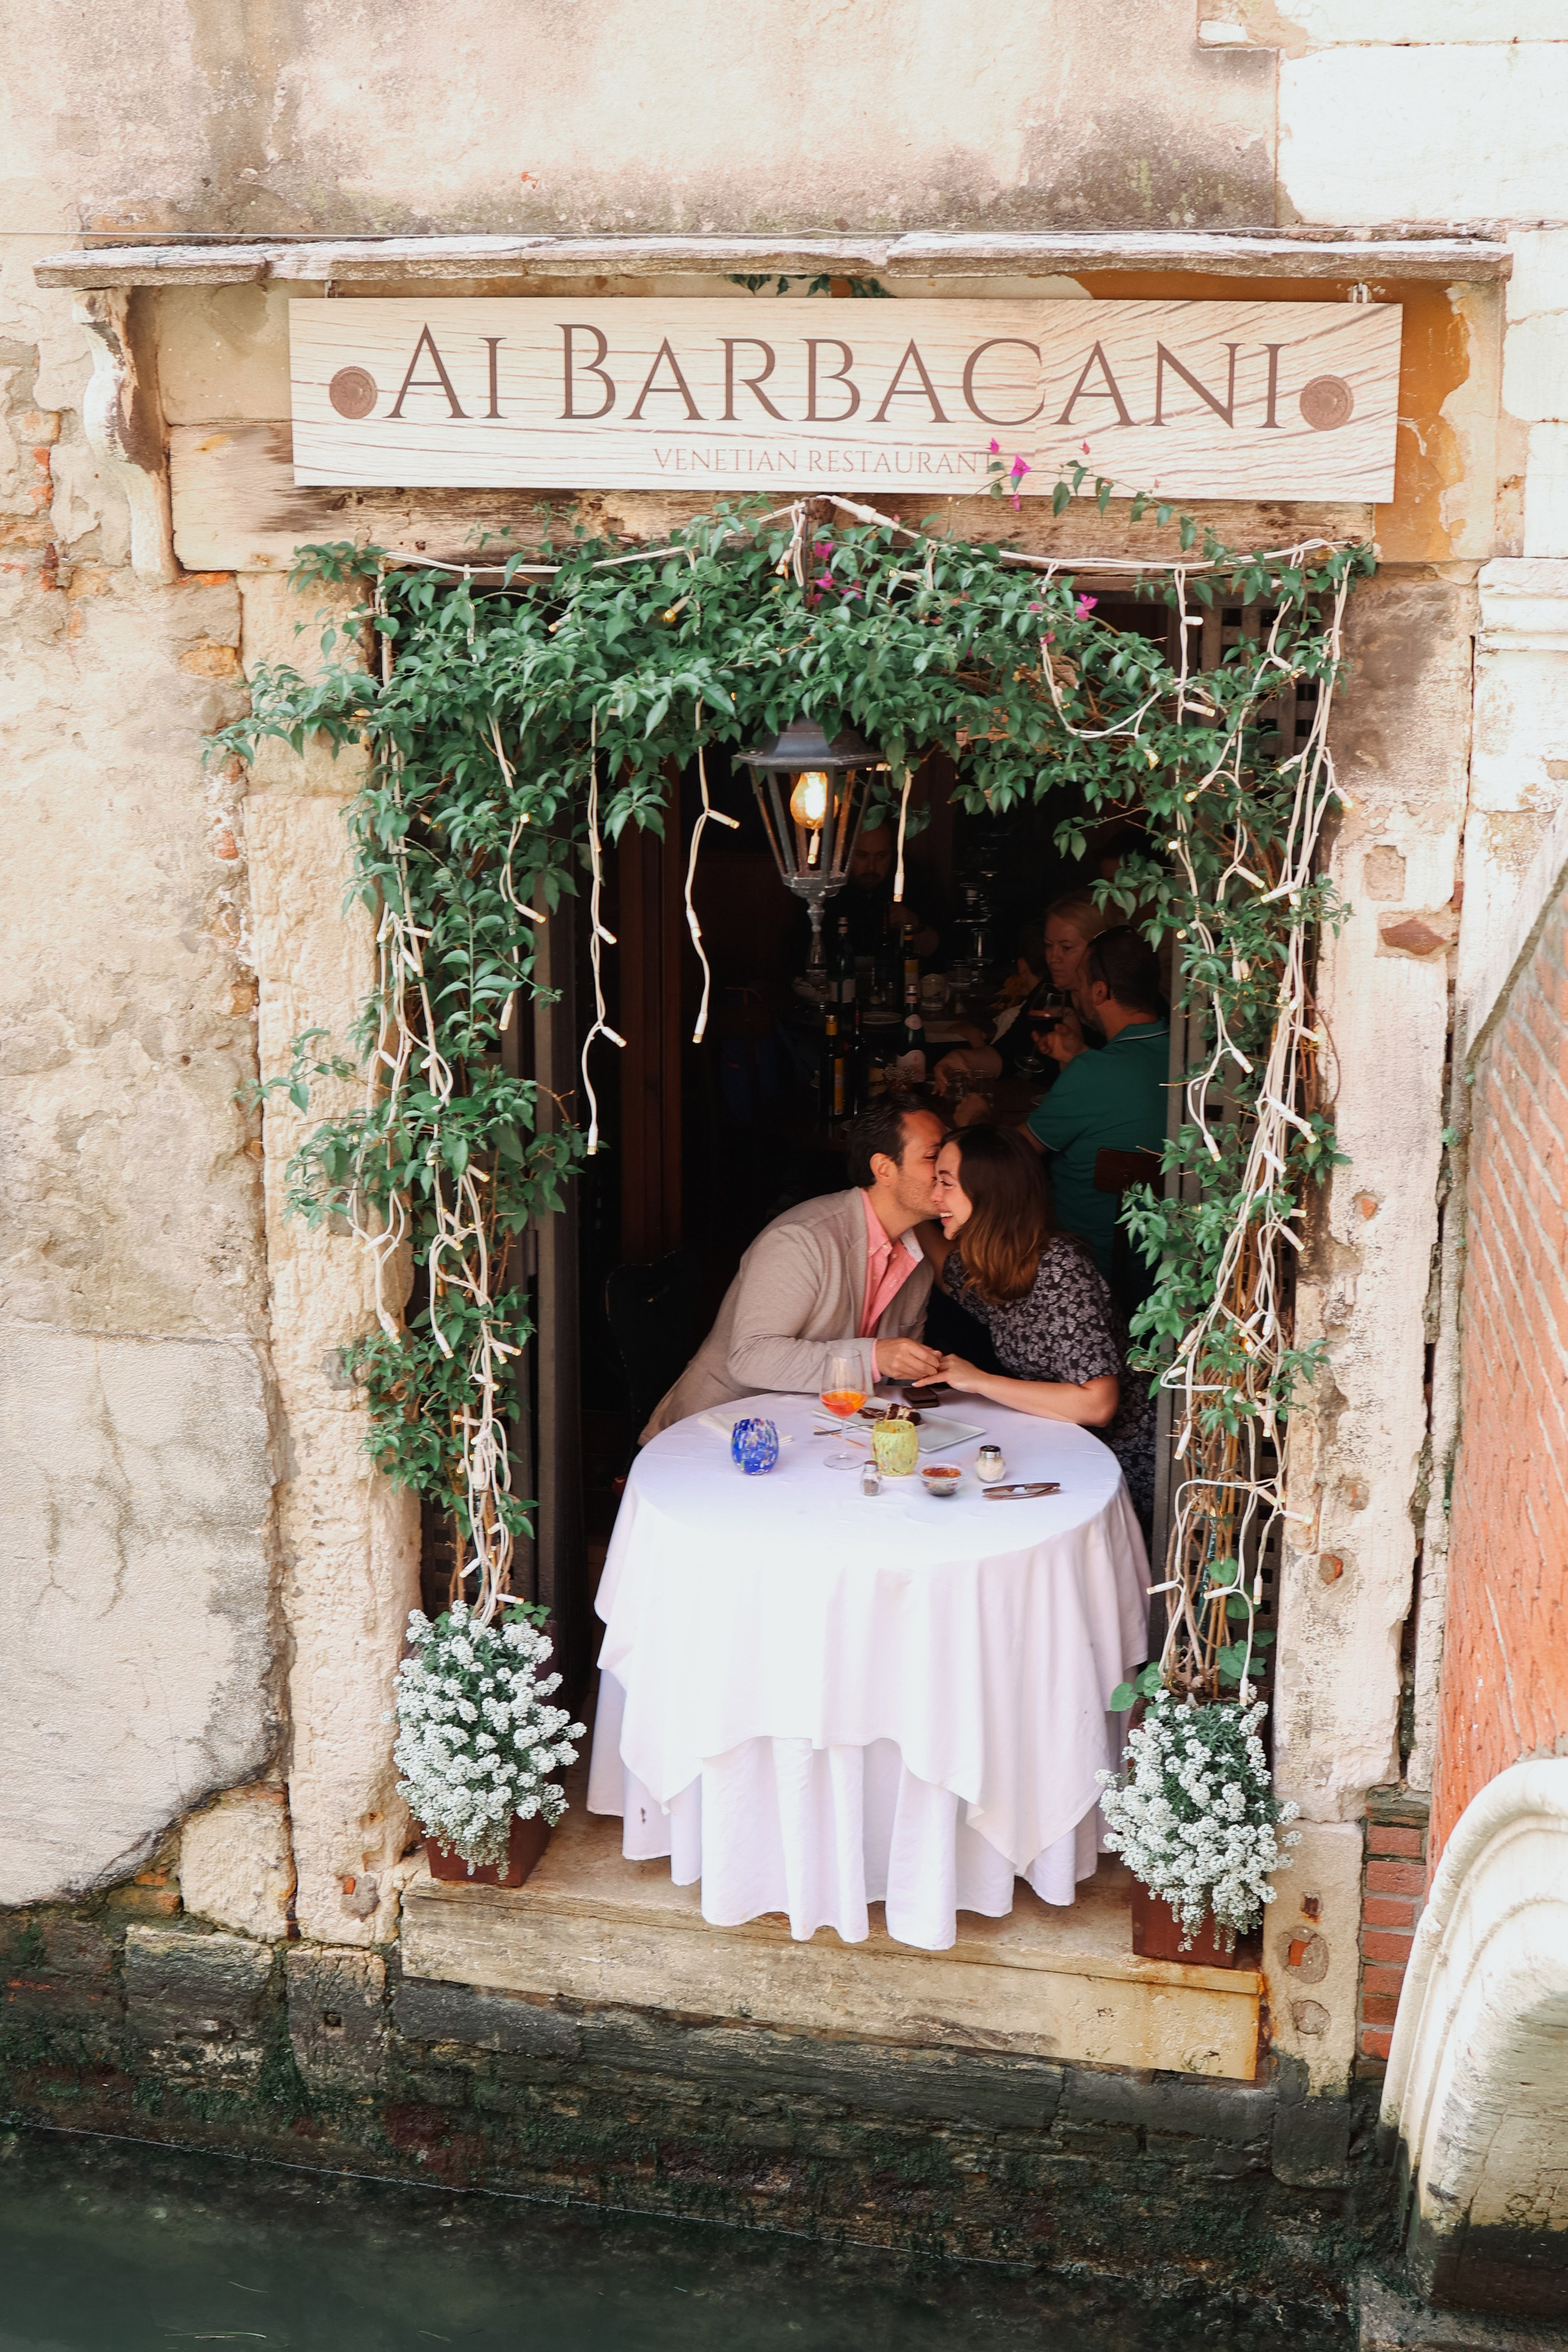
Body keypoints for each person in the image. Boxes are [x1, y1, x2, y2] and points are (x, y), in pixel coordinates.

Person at [641, 1098, 947, 1439]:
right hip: (722, 1437)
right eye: (933, 1156)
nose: (948, 1170)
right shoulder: (803, 1239)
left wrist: (931, 1371)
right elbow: (751, 1357)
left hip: (822, 1437)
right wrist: (875, 1357)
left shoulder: (915, 1261)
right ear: (884, 1168)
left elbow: (901, 1383)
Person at [920, 1125, 1156, 1525]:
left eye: (946, 1183)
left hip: (1124, 1460)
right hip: (1061, 1444)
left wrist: (978, 1380)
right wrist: (911, 1217)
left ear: (988, 1194)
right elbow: (948, 1274)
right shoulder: (992, 1259)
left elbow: (1098, 1404)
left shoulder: (1060, 1270)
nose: (934, 1196)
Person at [1023, 924, 1169, 1294]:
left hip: (1085, 1278)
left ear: (1100, 991)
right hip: (1169, 1276)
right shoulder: (1192, 1058)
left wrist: (975, 1120)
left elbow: (1015, 1153)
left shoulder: (1092, 1072)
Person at [932, 891, 1108, 1099]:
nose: (1053, 958)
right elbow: (1007, 1052)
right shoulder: (1050, 989)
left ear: (1097, 950)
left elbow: (1120, 1085)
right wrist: (962, 1059)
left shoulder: (1118, 1002)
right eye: (1049, 946)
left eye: (1066, 948)